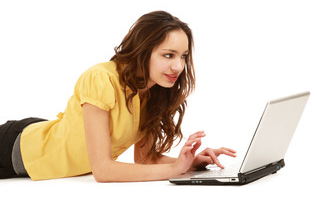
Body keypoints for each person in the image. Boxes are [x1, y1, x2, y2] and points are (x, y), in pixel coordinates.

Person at [0, 11, 236, 182]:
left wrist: (188, 163)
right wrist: (175, 171)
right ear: (144, 50)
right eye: (168, 55)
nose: (178, 66)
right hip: (15, 149)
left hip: (46, 137)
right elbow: (102, 170)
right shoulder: (101, 79)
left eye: (183, 56)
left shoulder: (153, 94)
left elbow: (144, 159)